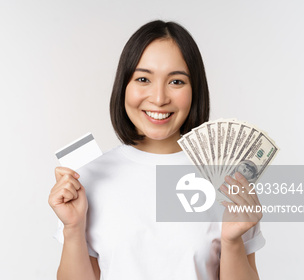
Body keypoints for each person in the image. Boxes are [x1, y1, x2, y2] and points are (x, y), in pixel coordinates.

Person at [48, 20, 265, 280]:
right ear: (123, 87)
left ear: (195, 90)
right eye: (143, 79)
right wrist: (73, 228)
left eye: (176, 81)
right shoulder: (87, 178)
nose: (159, 98)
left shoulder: (228, 180)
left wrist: (232, 241)